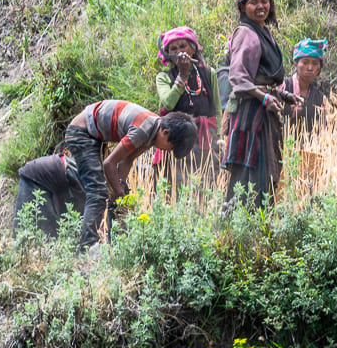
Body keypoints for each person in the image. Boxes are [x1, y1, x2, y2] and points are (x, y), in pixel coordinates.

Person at [60, 100, 197, 247]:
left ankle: (114, 246)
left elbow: (127, 159)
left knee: (118, 195)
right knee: (97, 190)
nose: (168, 151)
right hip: (81, 133)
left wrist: (120, 188)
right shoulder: (142, 131)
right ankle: (88, 247)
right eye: (171, 147)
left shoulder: (153, 132)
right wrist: (119, 191)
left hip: (95, 135)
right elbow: (109, 163)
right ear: (165, 133)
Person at [224, 0, 297, 207]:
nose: (260, 6)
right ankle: (242, 219)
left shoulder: (263, 32)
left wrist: (283, 95)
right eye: (253, 2)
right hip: (251, 114)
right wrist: (264, 97)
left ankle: (259, 219)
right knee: (252, 170)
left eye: (264, 1)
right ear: (243, 6)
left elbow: (263, 77)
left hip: (264, 112)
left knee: (267, 170)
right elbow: (238, 78)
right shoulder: (246, 33)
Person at [154, 26, 221, 187]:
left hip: (205, 138)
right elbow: (168, 103)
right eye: (173, 49)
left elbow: (217, 109)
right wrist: (182, 75)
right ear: (168, 55)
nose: (179, 52)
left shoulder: (209, 74)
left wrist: (218, 136)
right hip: (176, 139)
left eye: (183, 46)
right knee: (176, 185)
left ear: (193, 48)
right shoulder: (163, 78)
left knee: (205, 184)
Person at [13, 152, 81, 239]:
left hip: (41, 174)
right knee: (45, 235)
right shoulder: (91, 183)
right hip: (37, 179)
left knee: (28, 233)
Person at [284, 38, 330, 132]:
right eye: (305, 62)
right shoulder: (283, 86)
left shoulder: (320, 99)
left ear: (319, 68)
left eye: (315, 63)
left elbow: (323, 131)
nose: (310, 68)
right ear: (295, 65)